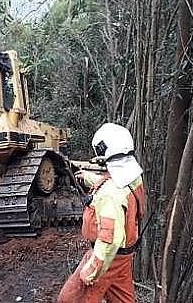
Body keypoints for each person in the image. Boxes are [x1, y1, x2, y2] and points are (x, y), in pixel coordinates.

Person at [57, 123, 146, 303]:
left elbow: (109, 240)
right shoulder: (133, 178)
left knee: (69, 299)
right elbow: (116, 185)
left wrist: (91, 271)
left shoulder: (109, 196)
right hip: (125, 254)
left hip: (108, 258)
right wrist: (91, 179)